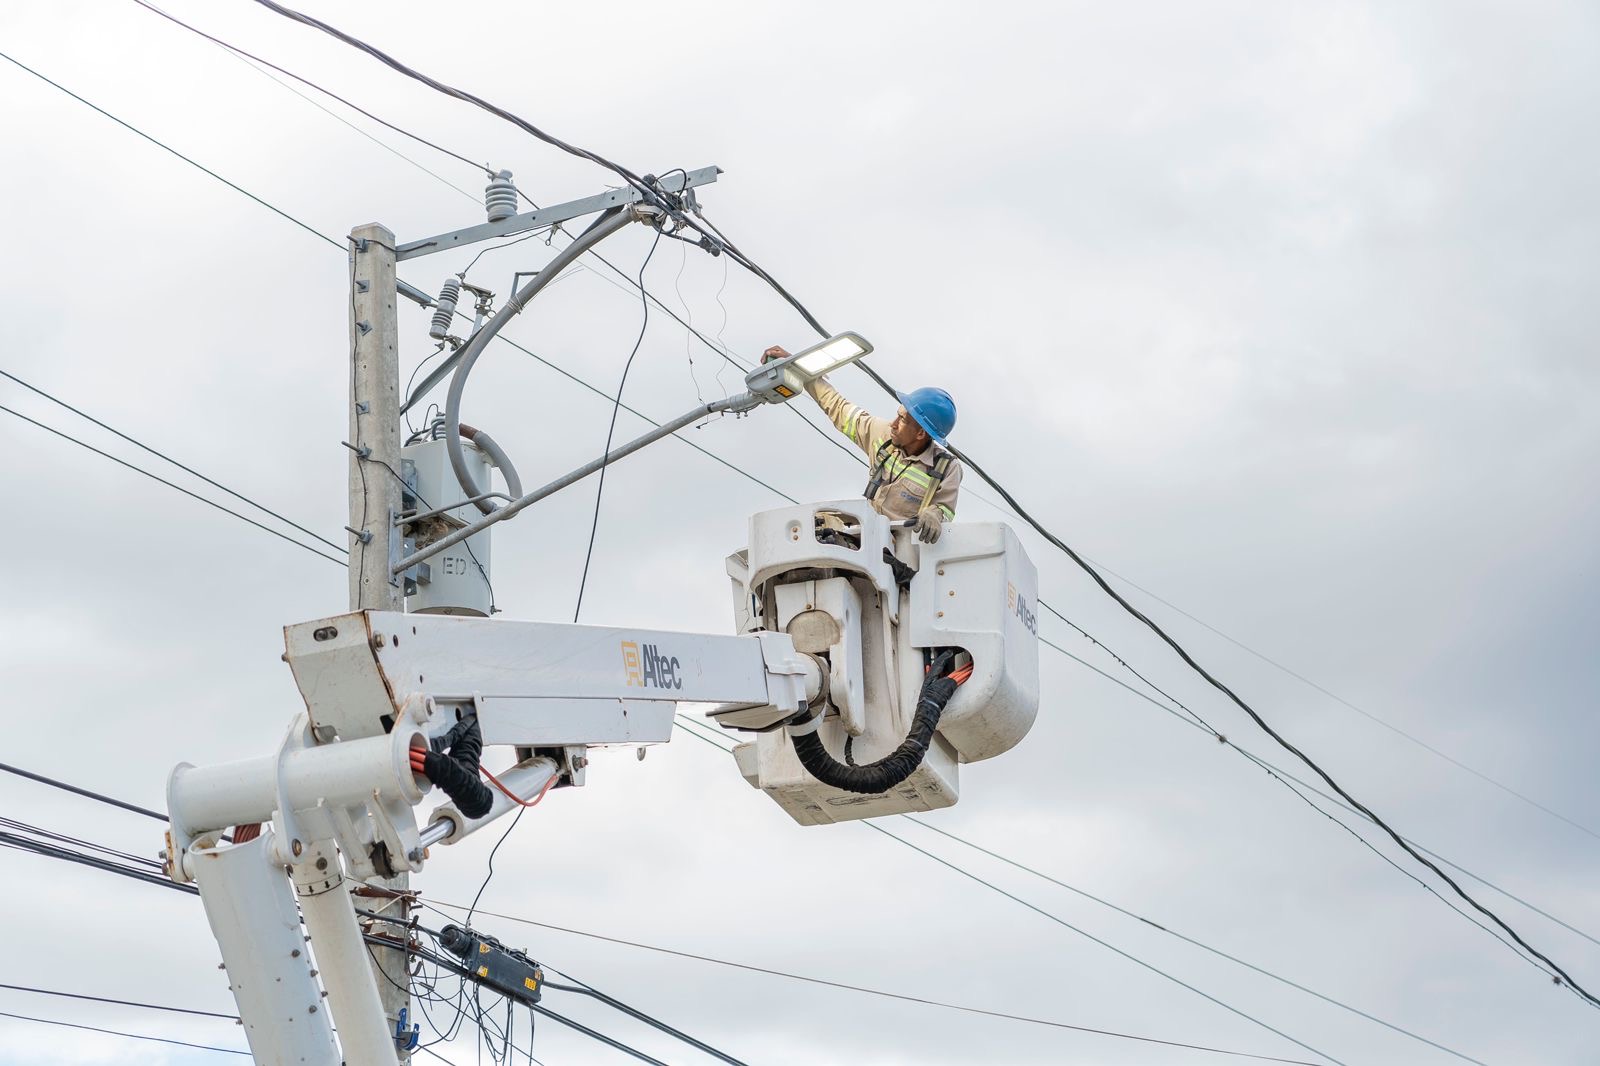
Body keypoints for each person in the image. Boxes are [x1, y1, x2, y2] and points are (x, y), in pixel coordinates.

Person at [763, 345, 961, 543]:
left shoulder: (946, 468)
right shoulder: (883, 437)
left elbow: (944, 510)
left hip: (901, 555)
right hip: (866, 539)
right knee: (816, 528)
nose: (893, 424)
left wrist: (935, 514)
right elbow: (839, 408)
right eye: (897, 415)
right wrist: (799, 368)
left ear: (920, 433)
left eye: (902, 421)